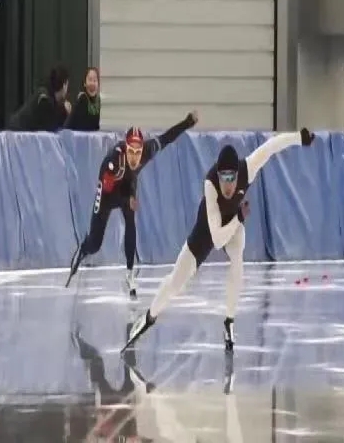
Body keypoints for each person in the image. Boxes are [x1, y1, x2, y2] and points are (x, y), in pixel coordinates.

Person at [121, 128, 316, 353]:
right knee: (177, 281)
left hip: (233, 224)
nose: (228, 185)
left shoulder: (248, 168)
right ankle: (148, 318)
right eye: (224, 178)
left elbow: (271, 146)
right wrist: (239, 217)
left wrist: (299, 138)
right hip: (208, 229)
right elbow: (217, 238)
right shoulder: (211, 184)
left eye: (231, 178)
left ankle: (229, 322)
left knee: (237, 258)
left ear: (238, 174)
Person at [65, 111, 199, 294]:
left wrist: (187, 122)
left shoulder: (148, 150)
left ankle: (129, 273)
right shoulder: (113, 161)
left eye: (138, 152)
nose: (135, 157)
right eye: (131, 152)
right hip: (107, 193)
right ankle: (83, 249)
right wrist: (126, 199)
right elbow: (108, 192)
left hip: (128, 186)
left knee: (130, 220)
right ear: (125, 148)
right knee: (95, 245)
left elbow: (167, 138)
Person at [7, 64, 71, 131]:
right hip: (18, 132)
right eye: (67, 85)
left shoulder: (48, 97)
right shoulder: (44, 98)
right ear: (64, 85)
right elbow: (50, 125)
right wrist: (64, 112)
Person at [64, 66, 101, 131]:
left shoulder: (98, 101)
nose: (92, 83)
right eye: (90, 79)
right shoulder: (82, 99)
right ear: (84, 83)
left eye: (95, 80)